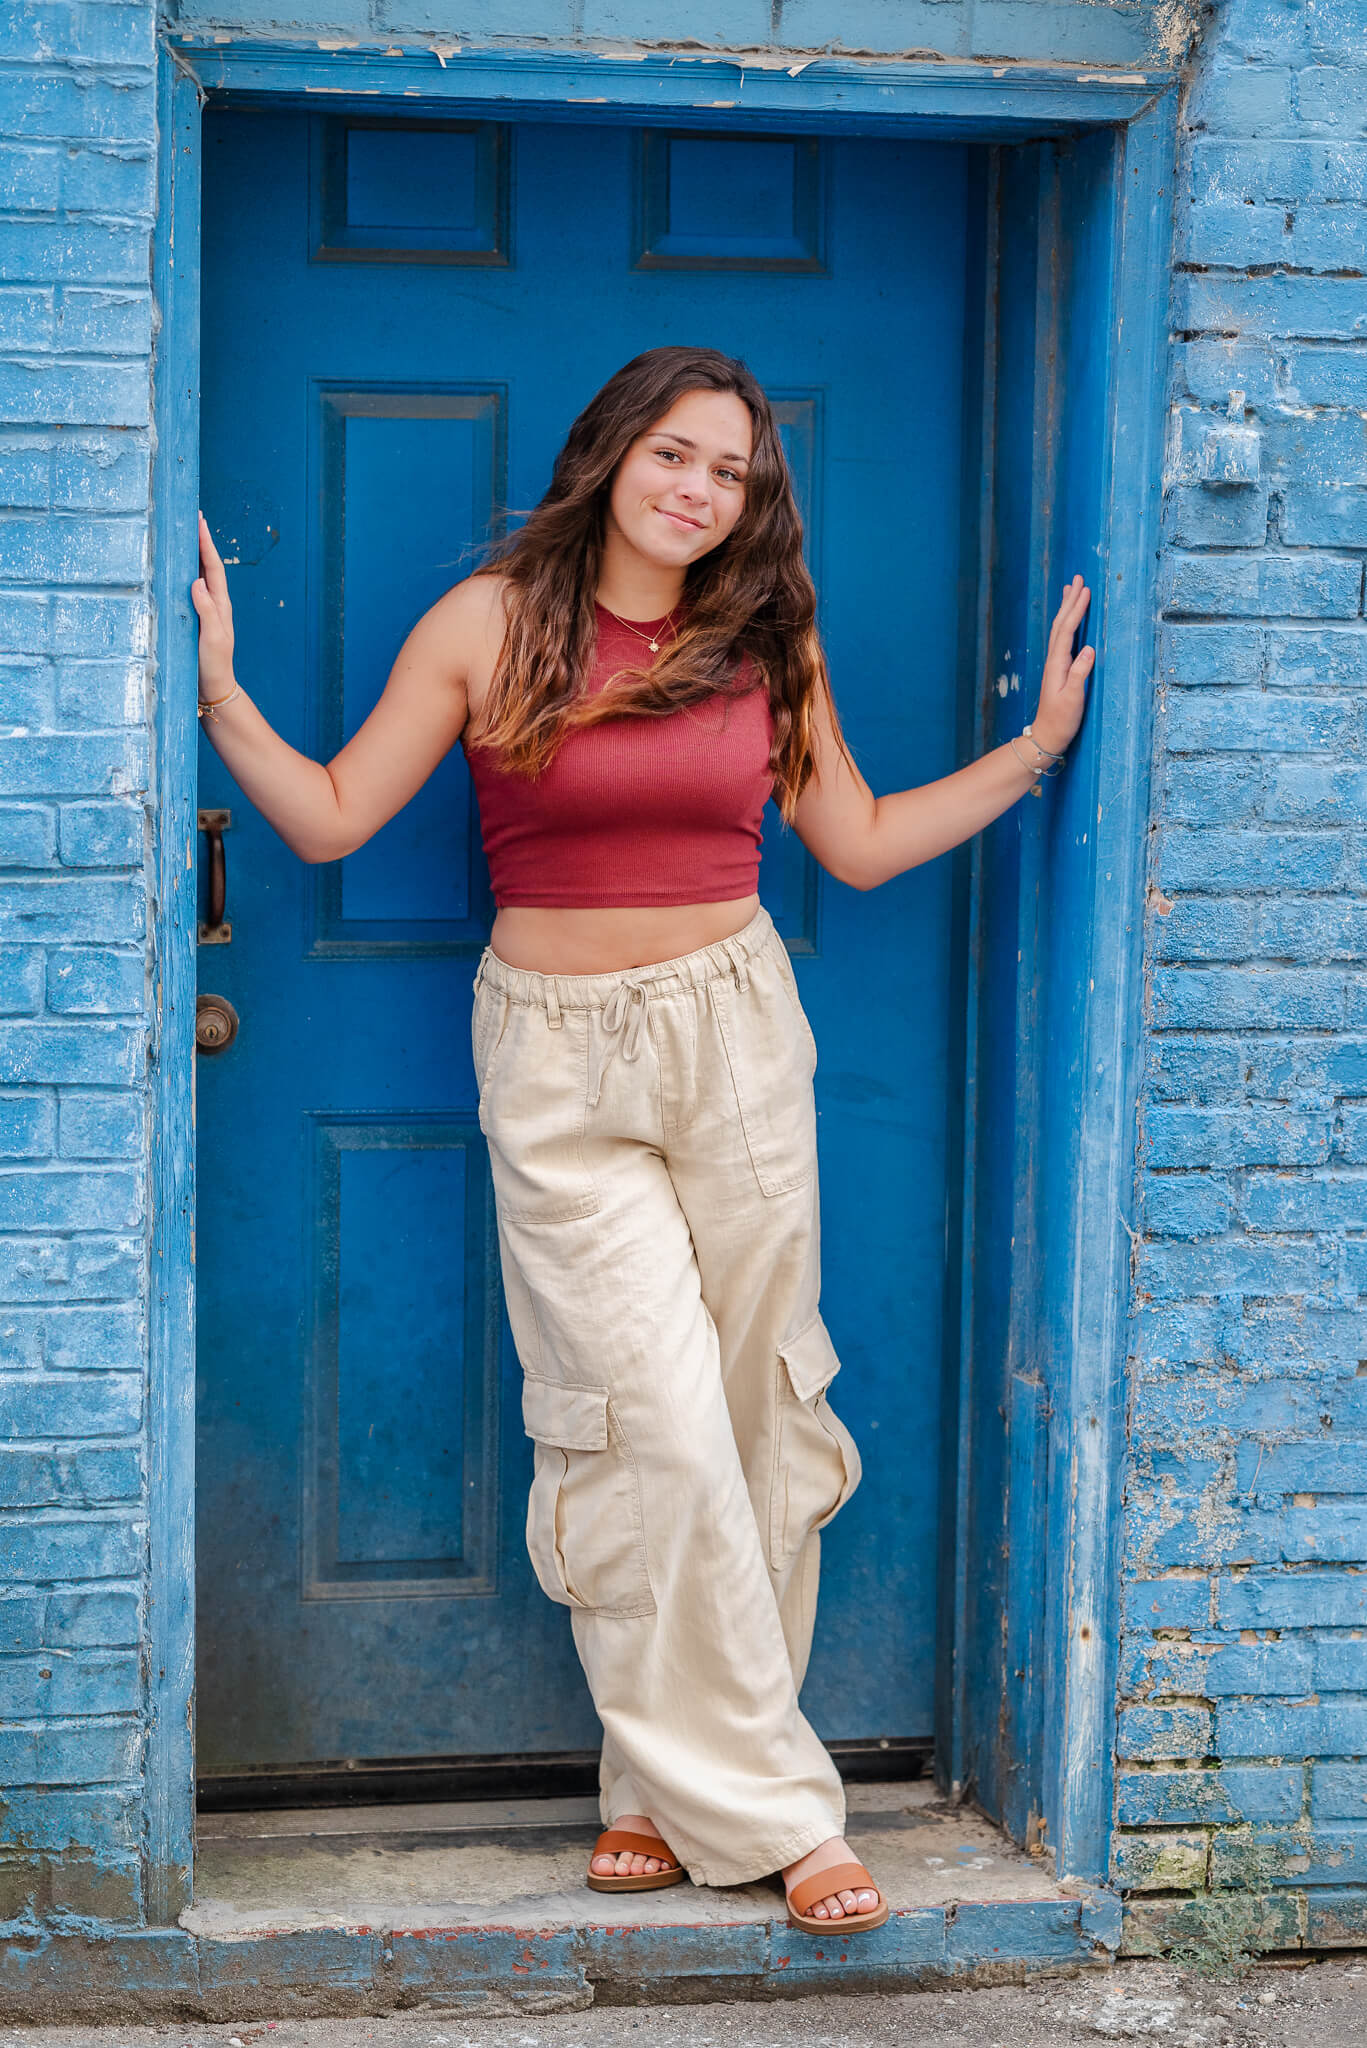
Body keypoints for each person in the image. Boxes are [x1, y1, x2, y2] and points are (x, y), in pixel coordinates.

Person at [192, 343, 1093, 1935]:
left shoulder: (765, 640)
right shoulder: (490, 623)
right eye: (675, 455)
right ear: (612, 453)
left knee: (761, 1414)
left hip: (736, 1036)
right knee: (643, 1421)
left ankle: (651, 1788)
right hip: (552, 1060)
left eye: (730, 472)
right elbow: (334, 814)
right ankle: (787, 1818)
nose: (697, 490)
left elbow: (862, 844)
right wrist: (216, 696)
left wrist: (1030, 758)